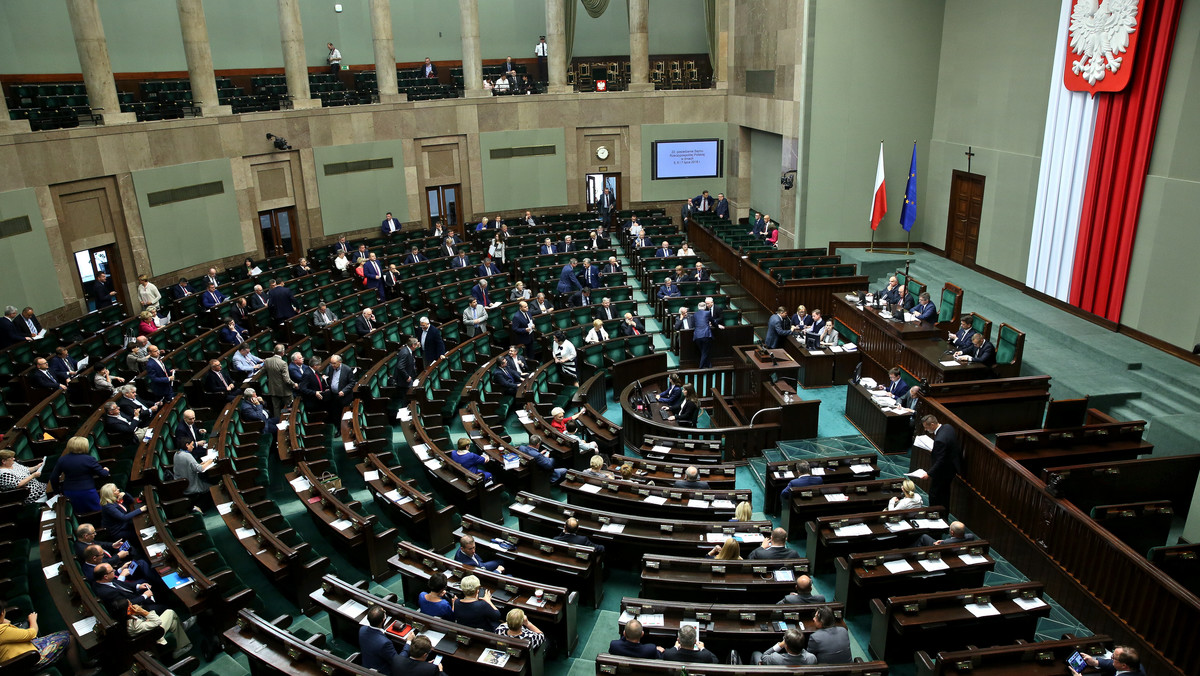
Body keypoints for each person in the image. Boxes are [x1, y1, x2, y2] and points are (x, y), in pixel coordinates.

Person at [0, 601, 97, 676]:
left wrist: (3, 620)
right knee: (69, 639)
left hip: (23, 648)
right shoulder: (2, 630)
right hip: (26, 659)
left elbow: (7, 625)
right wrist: (33, 620)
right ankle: (79, 672)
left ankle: (80, 663)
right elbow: (32, 633)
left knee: (67, 633)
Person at [50, 437, 110, 513]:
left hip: (69, 492)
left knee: (77, 513)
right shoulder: (89, 459)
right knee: (98, 512)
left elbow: (53, 477)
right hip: (88, 492)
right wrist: (106, 470)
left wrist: (57, 491)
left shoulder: (62, 460)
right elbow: (103, 474)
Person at [923, 414, 963, 510]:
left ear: (932, 424)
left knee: (935, 494)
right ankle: (944, 514)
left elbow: (940, 460)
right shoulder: (948, 427)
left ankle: (934, 513)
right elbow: (946, 450)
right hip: (952, 467)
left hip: (943, 472)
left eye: (926, 427)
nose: (926, 430)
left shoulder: (940, 440)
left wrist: (929, 474)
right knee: (945, 494)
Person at [358, 605, 397, 674]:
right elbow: (397, 661)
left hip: (366, 666)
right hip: (381, 672)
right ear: (383, 620)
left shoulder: (362, 630)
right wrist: (408, 643)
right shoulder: (385, 643)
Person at [174, 444, 214, 509]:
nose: (193, 446)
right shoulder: (187, 455)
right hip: (191, 486)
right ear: (186, 445)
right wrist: (209, 461)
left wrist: (199, 464)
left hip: (183, 485)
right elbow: (201, 469)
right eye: (191, 445)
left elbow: (191, 466)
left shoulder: (176, 454)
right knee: (212, 487)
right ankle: (199, 507)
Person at [264, 344, 297, 417]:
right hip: (284, 390)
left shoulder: (267, 360)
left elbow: (264, 372)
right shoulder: (283, 363)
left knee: (276, 408)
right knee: (291, 407)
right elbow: (287, 380)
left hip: (273, 389)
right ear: (283, 352)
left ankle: (278, 422)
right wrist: (294, 384)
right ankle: (289, 421)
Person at [1070, 644, 1142, 676]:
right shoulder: (1135, 665)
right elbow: (1112, 664)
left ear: (1124, 665)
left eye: (1114, 658)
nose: (1111, 658)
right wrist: (1095, 662)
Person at [691, 301, 716, 368]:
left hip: (697, 336)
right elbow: (713, 321)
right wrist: (717, 325)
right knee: (705, 352)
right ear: (705, 307)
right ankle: (700, 368)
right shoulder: (707, 312)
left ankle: (710, 366)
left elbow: (693, 324)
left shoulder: (695, 314)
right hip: (706, 335)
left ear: (698, 308)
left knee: (703, 351)